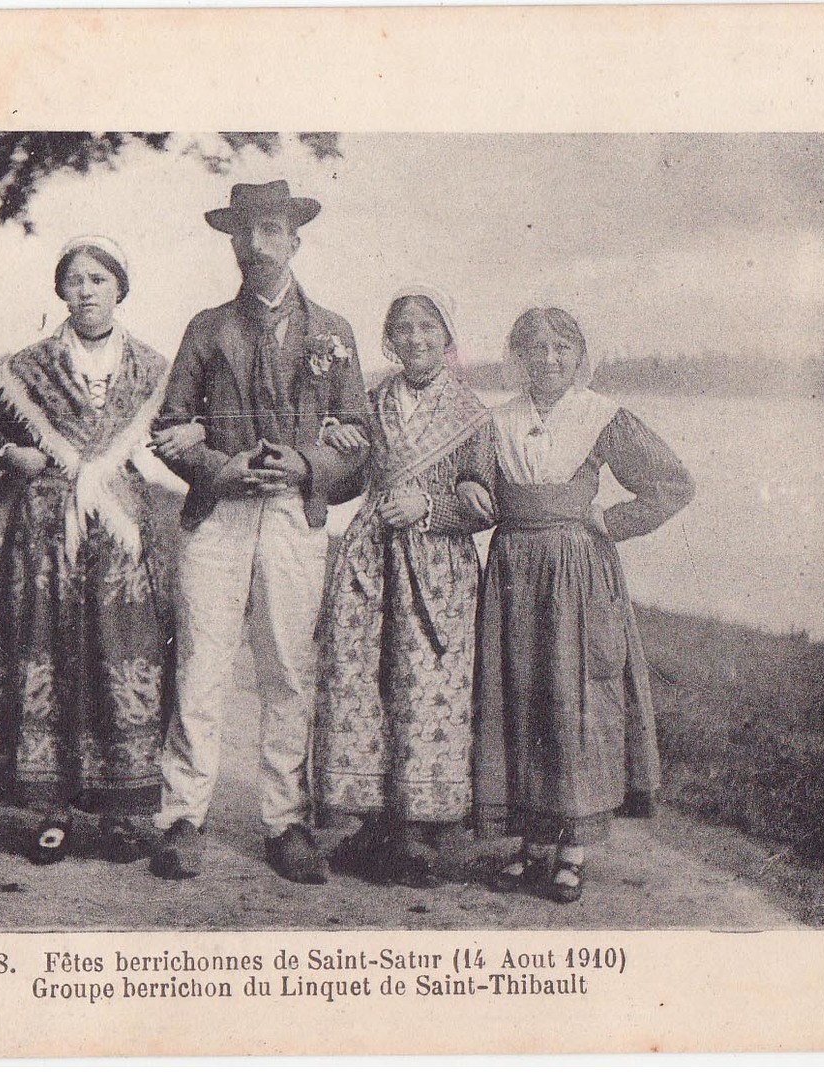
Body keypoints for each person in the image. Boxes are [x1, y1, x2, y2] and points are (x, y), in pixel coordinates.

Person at [148, 180, 370, 884]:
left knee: (285, 669)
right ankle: (183, 816)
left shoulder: (332, 332)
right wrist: (221, 468)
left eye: (271, 230)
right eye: (245, 232)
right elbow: (169, 429)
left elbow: (358, 436)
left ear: (295, 240)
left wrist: (306, 462)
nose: (256, 245)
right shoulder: (206, 328)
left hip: (294, 517)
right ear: (232, 242)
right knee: (201, 665)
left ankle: (285, 821)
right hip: (217, 516)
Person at [0, 235, 199, 866]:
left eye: (99, 279)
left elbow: (179, 432)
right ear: (60, 290)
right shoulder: (27, 368)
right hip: (47, 530)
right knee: (48, 649)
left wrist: (187, 440)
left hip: (123, 532)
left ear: (120, 288)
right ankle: (51, 810)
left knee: (127, 653)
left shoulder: (153, 369)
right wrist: (10, 452)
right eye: (75, 280)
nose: (86, 290)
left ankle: (123, 812)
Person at [472, 306, 694, 903]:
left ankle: (572, 850)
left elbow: (673, 483)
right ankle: (528, 844)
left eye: (561, 348)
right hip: (513, 571)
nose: (549, 360)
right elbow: (472, 488)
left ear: (578, 356)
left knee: (573, 698)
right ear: (517, 359)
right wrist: (471, 494)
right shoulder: (496, 421)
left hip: (575, 574)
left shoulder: (600, 416)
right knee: (519, 696)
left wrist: (612, 519)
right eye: (535, 349)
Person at [312, 286, 496, 887]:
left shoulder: (474, 414)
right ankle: (372, 822)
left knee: (427, 684)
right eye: (404, 329)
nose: (416, 339)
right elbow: (342, 487)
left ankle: (419, 831)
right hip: (370, 555)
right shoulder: (368, 402)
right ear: (390, 339)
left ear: (446, 338)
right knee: (365, 678)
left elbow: (485, 503)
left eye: (428, 328)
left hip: (437, 565)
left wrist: (433, 506)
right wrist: (331, 451)